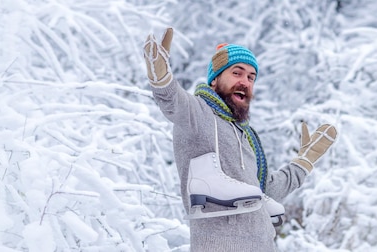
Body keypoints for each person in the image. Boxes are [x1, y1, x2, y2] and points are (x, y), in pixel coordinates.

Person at [143, 27, 337, 251]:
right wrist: (161, 79)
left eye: (251, 77)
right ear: (215, 79)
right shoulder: (197, 114)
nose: (245, 81)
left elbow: (266, 191)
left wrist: (304, 161)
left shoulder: (246, 136)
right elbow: (172, 101)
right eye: (237, 73)